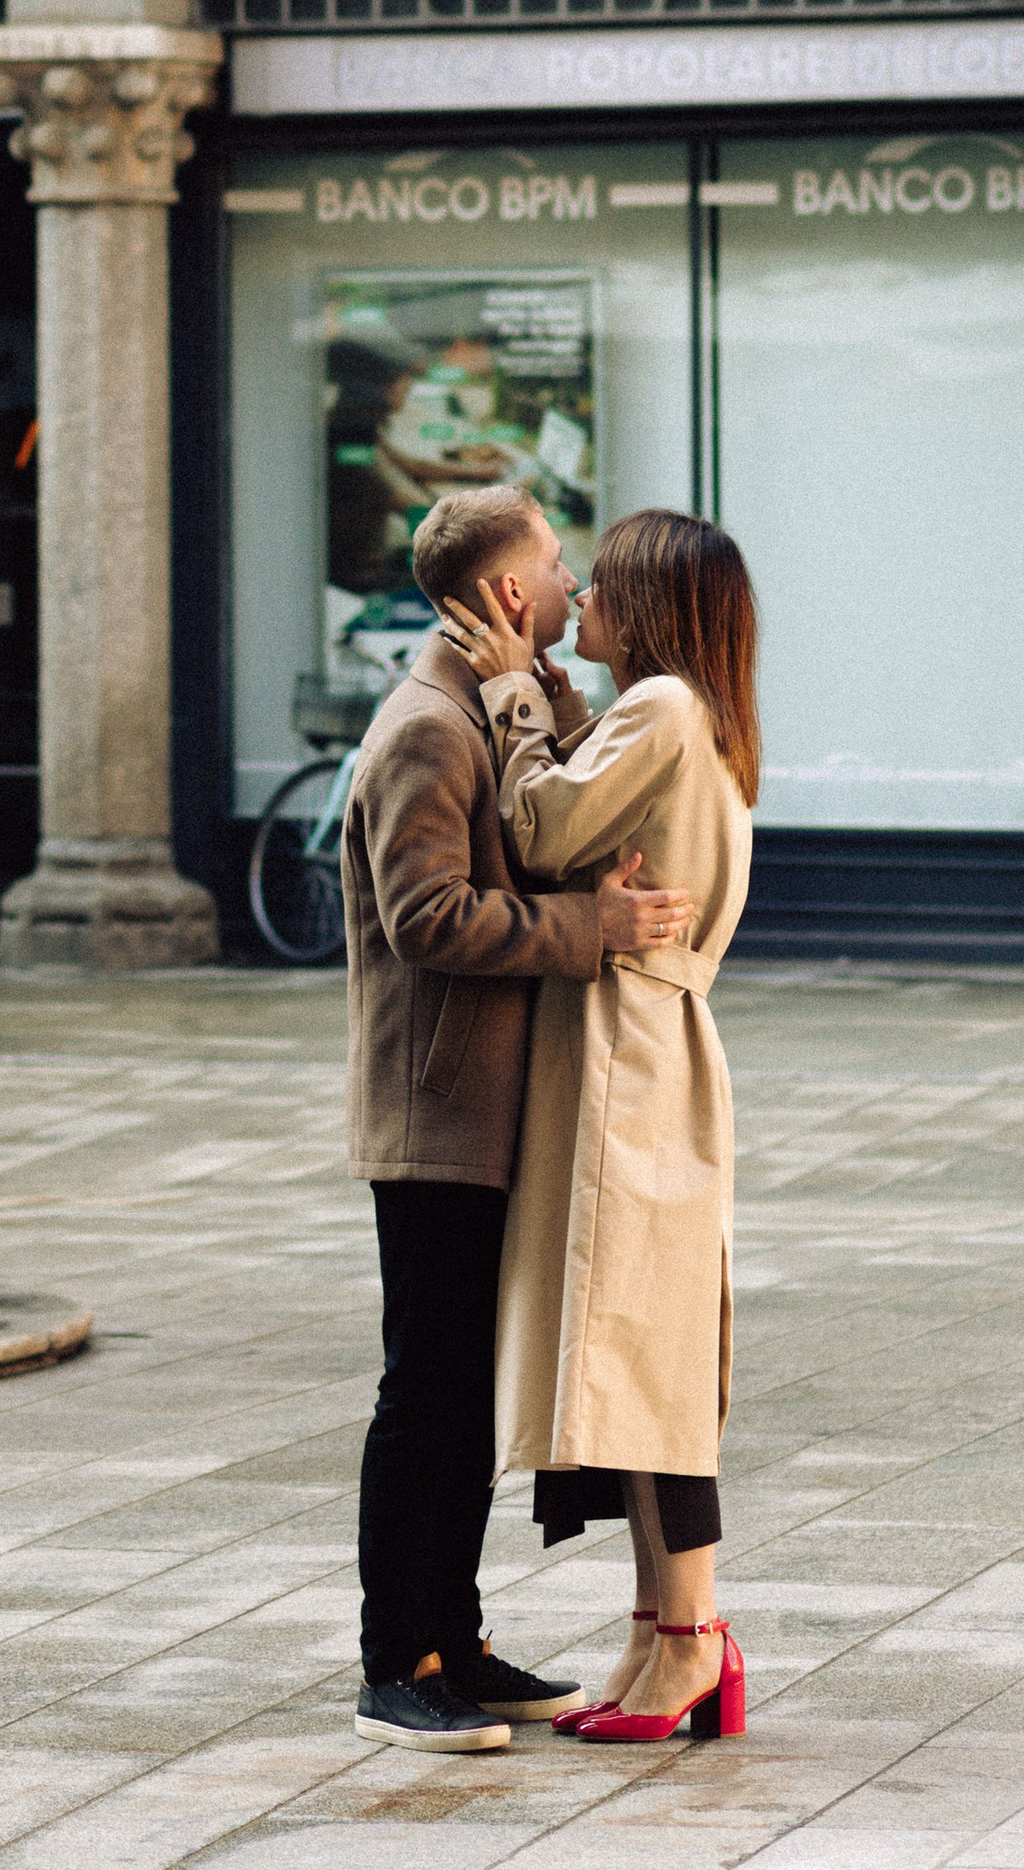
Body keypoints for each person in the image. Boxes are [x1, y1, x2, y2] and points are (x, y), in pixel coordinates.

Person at [342, 479, 696, 1755]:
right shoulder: (428, 728)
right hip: (438, 1110)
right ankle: (399, 1662)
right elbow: (425, 917)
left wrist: (540, 696)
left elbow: (559, 813)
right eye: (554, 562)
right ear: (505, 588)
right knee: (426, 1390)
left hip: (492, 1110)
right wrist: (588, 927)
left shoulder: (495, 702)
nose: (571, 580)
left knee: (464, 1394)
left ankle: (458, 1638)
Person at [443, 505, 761, 1746]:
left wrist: (514, 697)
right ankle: (659, 1628)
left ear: (649, 604)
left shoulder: (665, 707)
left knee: (646, 1360)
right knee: (630, 1354)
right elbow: (590, 818)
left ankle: (691, 1634)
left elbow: (541, 830)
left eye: (601, 584)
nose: (576, 598)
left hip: (628, 1051)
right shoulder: (683, 712)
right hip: (637, 1041)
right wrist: (565, 710)